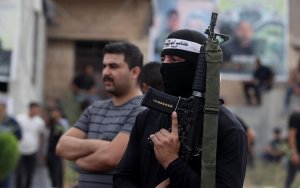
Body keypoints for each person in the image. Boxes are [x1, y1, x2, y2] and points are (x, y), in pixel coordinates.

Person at [114, 29, 248, 188]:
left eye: (175, 60)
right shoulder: (145, 118)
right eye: (163, 59)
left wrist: (171, 161)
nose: (165, 67)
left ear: (198, 68)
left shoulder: (227, 128)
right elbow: (122, 177)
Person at [56, 42, 145, 188]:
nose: (105, 72)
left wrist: (78, 161)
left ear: (134, 72)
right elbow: (62, 146)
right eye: (104, 66)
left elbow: (111, 158)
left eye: (113, 66)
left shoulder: (142, 109)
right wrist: (101, 145)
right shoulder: (95, 109)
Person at [15, 102, 46, 188]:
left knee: (30, 173)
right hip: (20, 150)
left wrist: (41, 152)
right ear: (31, 109)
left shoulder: (40, 122)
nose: (38, 112)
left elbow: (42, 137)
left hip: (32, 150)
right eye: (36, 109)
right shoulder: (19, 119)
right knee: (19, 174)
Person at [0, 100, 22, 188]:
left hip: (5, 158)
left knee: (5, 181)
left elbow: (19, 136)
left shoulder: (11, 121)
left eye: (1, 108)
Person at [46, 108, 69, 188]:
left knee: (57, 175)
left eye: (55, 112)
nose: (53, 114)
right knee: (52, 174)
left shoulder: (61, 124)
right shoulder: (51, 123)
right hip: (50, 152)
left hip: (58, 153)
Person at [284, 107, 300, 188]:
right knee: (290, 178)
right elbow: (291, 135)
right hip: (297, 153)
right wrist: (294, 153)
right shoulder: (295, 116)